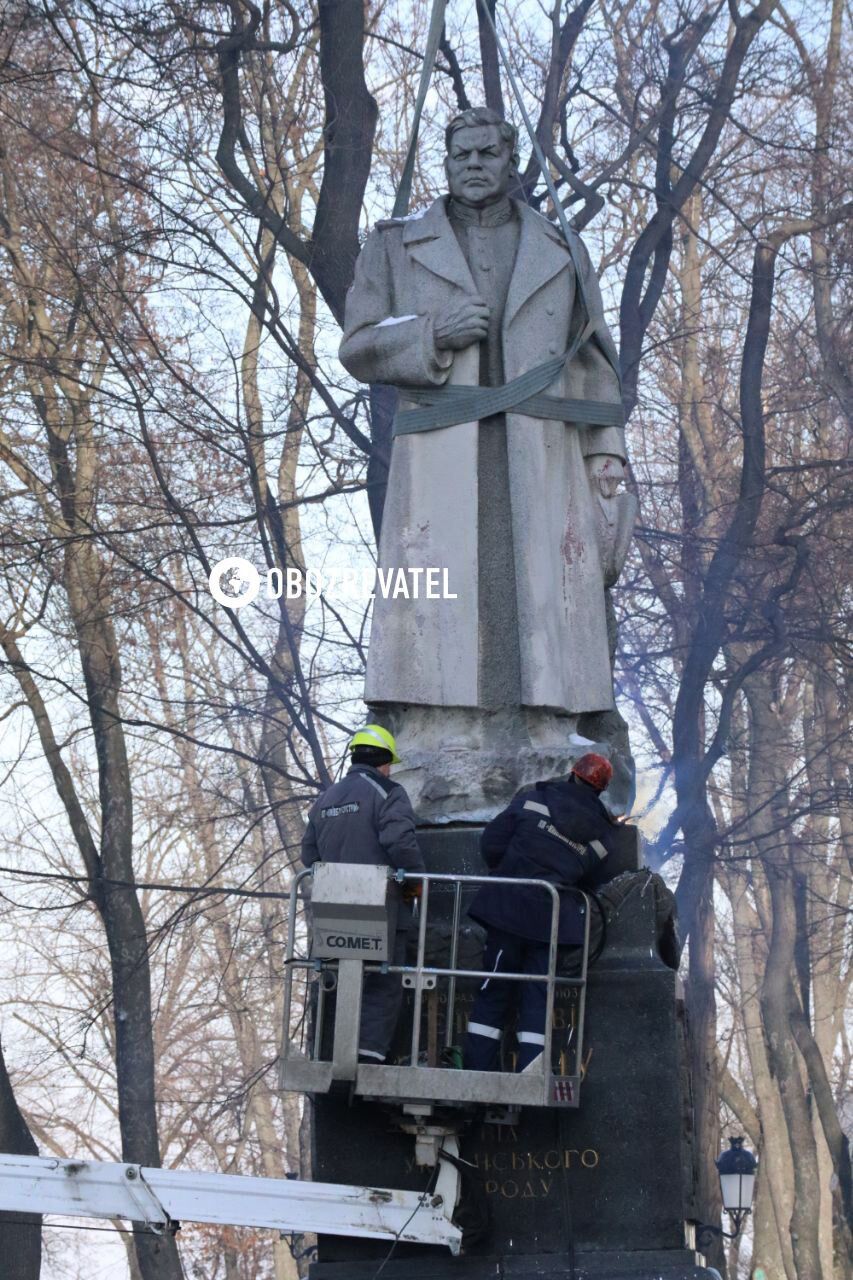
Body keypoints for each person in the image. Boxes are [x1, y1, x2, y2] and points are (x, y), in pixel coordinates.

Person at [339, 107, 635, 818]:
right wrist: (430, 333)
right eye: (459, 154)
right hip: (442, 456)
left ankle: (543, 732)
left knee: (545, 607)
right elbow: (356, 345)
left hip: (542, 455)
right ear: (444, 163)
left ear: (509, 162)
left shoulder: (559, 246)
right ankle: (443, 738)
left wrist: (607, 460)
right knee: (440, 608)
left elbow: (594, 363)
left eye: (485, 153)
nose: (472, 164)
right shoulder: (396, 246)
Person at [463, 753, 618, 1072]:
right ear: (600, 790)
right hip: (552, 920)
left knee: (494, 989)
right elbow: (591, 880)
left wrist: (510, 868)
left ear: (572, 775)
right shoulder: (604, 836)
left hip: (508, 908)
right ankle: (530, 1076)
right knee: (537, 996)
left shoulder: (533, 800)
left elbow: (491, 844)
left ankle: (478, 1072)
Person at [301, 725, 425, 1065]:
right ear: (385, 762)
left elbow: (308, 855)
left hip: (332, 904)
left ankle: (336, 1054)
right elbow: (400, 842)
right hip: (379, 904)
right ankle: (367, 1057)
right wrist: (416, 881)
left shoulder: (326, 799)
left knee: (342, 977)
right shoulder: (389, 793)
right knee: (382, 980)